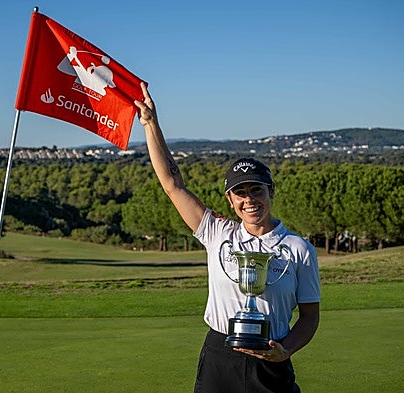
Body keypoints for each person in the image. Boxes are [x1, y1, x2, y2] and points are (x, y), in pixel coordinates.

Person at [134, 82, 320, 393]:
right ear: (230, 200)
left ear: (271, 191)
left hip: (270, 358)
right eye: (240, 193)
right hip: (220, 356)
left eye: (256, 190)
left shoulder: (299, 248)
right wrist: (151, 123)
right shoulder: (217, 232)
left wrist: (285, 350)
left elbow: (310, 317)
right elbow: (172, 184)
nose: (250, 200)